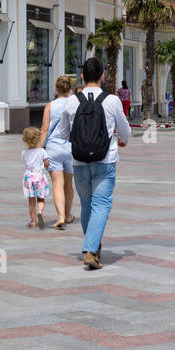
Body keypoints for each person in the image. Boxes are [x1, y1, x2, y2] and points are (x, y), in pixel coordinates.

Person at [58, 56, 130, 269]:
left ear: (81, 76)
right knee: (102, 204)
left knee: (87, 205)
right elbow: (125, 129)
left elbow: (63, 134)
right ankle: (90, 249)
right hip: (105, 159)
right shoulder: (112, 100)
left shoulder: (71, 101)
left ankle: (93, 245)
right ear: (102, 77)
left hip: (79, 161)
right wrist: (122, 140)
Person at [41, 75, 76, 229]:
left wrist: (40, 150)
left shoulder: (50, 105)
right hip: (71, 147)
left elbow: (44, 129)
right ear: (70, 89)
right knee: (68, 184)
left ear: (56, 88)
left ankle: (60, 216)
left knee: (57, 184)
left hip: (53, 148)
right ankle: (68, 215)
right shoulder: (76, 105)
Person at [21, 125, 50, 228]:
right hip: (39, 176)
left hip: (29, 177)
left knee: (31, 201)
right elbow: (47, 162)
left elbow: (26, 163)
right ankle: (40, 211)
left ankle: (33, 221)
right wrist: (46, 165)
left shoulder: (24, 153)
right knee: (41, 198)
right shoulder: (42, 151)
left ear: (25, 140)